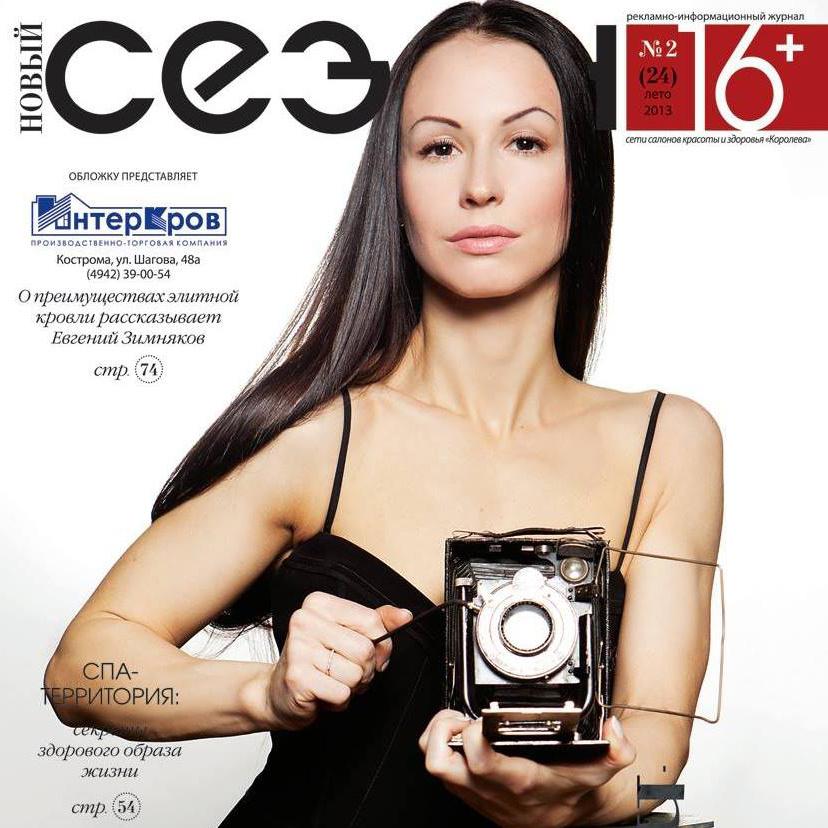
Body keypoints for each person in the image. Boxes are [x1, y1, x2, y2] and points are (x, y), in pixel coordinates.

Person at [43, 2, 723, 825]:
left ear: (583, 170)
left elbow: (660, 759)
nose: (480, 186)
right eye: (439, 147)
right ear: (393, 184)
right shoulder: (321, 439)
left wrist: (565, 807)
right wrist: (266, 692)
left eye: (525, 142)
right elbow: (80, 671)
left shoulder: (668, 443)